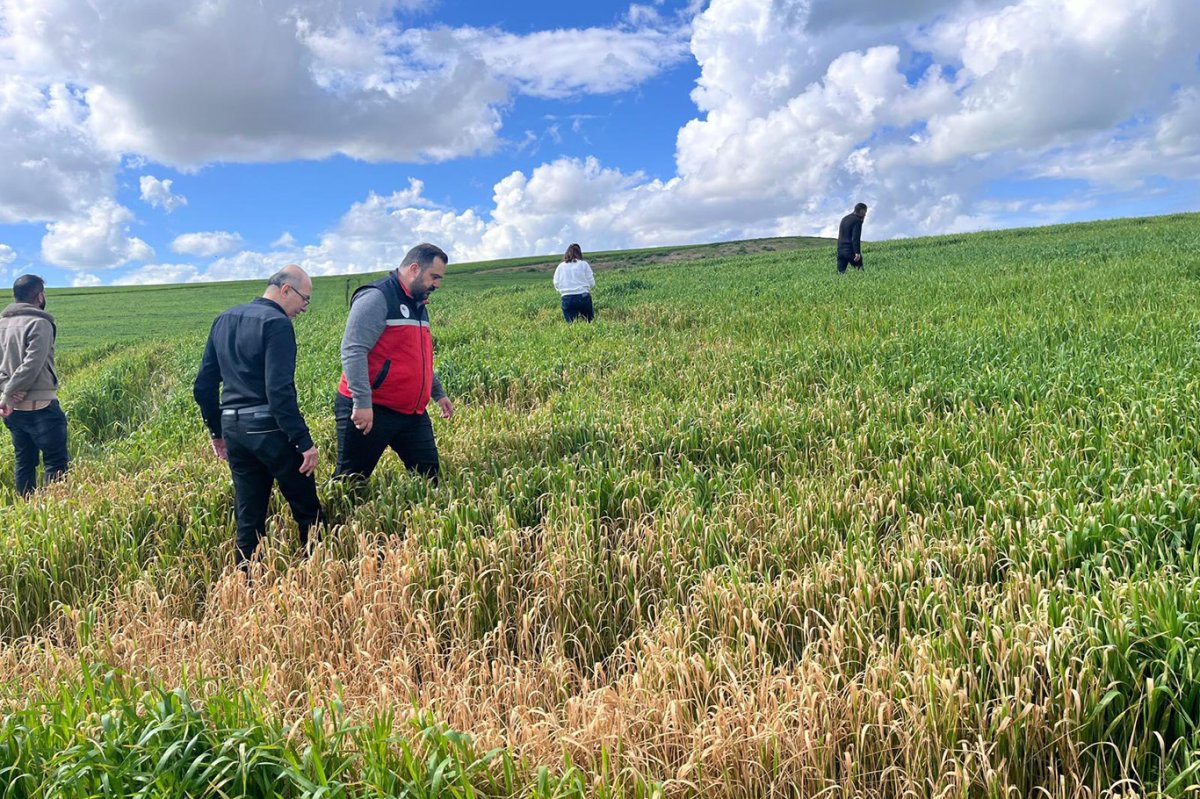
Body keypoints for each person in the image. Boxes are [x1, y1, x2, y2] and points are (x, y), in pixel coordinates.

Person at [193, 265, 323, 567]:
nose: (305, 307)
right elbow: (279, 391)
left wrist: (217, 432)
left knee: (248, 514)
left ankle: (247, 582)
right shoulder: (277, 323)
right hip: (270, 428)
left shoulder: (223, 319)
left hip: (234, 428)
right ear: (286, 290)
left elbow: (203, 386)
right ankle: (318, 576)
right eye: (305, 299)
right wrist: (304, 441)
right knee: (306, 509)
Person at [334, 243, 454, 484]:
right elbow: (353, 350)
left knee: (429, 480)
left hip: (411, 413)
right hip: (372, 409)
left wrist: (438, 393)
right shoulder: (377, 297)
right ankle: (335, 520)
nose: (437, 284)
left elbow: (418, 358)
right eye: (434, 277)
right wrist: (362, 402)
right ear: (414, 268)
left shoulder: (419, 303)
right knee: (351, 482)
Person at [0, 274, 69, 496]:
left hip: (13, 411)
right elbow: (33, 364)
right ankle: (54, 516)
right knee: (56, 463)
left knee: (24, 461)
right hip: (41, 405)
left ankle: (27, 515)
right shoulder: (41, 323)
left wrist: (5, 389)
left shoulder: (1, 324)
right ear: (39, 296)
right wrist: (9, 392)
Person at [552, 243, 596, 322]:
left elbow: (556, 283)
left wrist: (563, 291)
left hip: (567, 297)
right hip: (583, 296)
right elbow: (591, 282)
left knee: (571, 325)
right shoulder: (584, 264)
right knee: (589, 322)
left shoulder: (560, 266)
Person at [837, 203, 868, 273]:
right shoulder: (857, 221)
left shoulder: (844, 218)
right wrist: (857, 252)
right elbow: (855, 238)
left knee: (840, 274)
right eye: (865, 212)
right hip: (850, 250)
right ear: (861, 211)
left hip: (840, 250)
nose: (865, 214)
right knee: (860, 272)